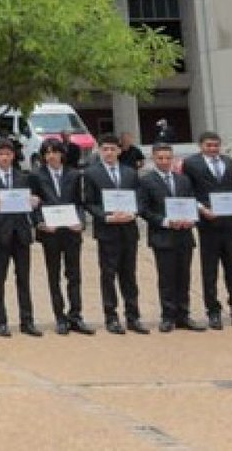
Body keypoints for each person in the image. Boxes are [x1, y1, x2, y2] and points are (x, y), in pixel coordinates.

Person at [182, 131, 232, 330]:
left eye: (216, 145)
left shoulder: (229, 162)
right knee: (210, 269)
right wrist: (201, 209)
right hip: (208, 223)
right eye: (209, 145)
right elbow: (187, 191)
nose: (213, 149)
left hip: (230, 222)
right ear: (201, 146)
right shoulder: (191, 163)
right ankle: (213, 312)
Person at [84, 133, 148, 334]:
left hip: (128, 229)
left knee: (129, 275)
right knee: (108, 274)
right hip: (107, 230)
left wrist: (133, 212)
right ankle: (111, 317)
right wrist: (106, 216)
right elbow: (89, 202)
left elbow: (140, 197)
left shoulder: (130, 172)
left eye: (113, 149)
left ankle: (133, 316)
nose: (109, 152)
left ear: (119, 151)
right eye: (105, 149)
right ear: (100, 151)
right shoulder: (91, 173)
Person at [0, 138, 41, 337]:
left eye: (8, 154)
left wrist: (35, 203)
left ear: (13, 156)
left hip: (21, 233)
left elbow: (33, 202)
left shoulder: (24, 177)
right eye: (0, 154)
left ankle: (27, 320)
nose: (4, 157)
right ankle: (1, 320)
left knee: (23, 278)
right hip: (0, 234)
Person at [139, 144, 204, 332]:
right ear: (153, 159)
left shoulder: (183, 180)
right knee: (167, 278)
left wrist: (192, 219)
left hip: (184, 235)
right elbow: (143, 209)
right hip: (163, 236)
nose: (165, 161)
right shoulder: (146, 181)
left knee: (184, 276)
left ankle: (183, 315)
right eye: (160, 158)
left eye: (168, 158)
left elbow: (192, 202)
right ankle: (168, 316)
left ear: (173, 159)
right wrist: (166, 221)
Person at [31, 139, 93, 335]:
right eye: (47, 153)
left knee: (74, 274)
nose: (51, 156)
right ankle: (60, 317)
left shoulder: (74, 175)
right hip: (50, 232)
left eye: (54, 152)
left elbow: (79, 203)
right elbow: (33, 204)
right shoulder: (35, 176)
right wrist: (39, 223)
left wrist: (81, 222)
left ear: (62, 154)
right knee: (54, 274)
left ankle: (76, 315)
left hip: (71, 231)